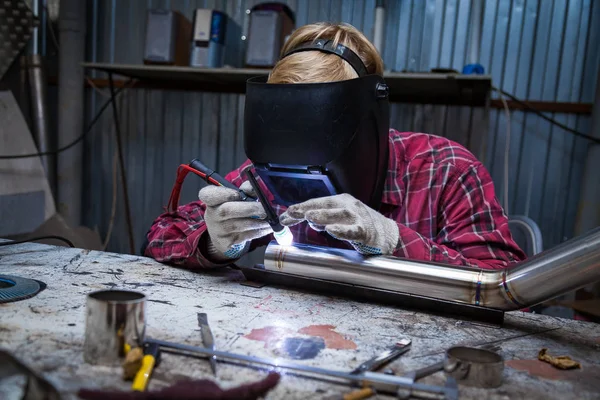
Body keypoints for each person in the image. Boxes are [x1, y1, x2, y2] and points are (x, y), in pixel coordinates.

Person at [144, 22, 526, 270]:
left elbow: (507, 284)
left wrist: (392, 240)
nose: (299, 172)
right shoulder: (266, 172)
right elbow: (160, 238)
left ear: (366, 126)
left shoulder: (447, 169)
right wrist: (215, 242)